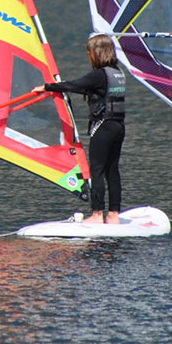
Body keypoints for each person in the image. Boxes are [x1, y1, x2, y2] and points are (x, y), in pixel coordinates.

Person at [32, 34, 127, 225]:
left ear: (97, 53)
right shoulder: (117, 73)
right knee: (112, 171)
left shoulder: (98, 75)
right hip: (118, 127)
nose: (89, 55)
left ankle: (97, 214)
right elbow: (91, 90)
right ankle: (113, 215)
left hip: (103, 128)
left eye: (90, 52)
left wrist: (47, 87)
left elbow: (74, 85)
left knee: (97, 171)